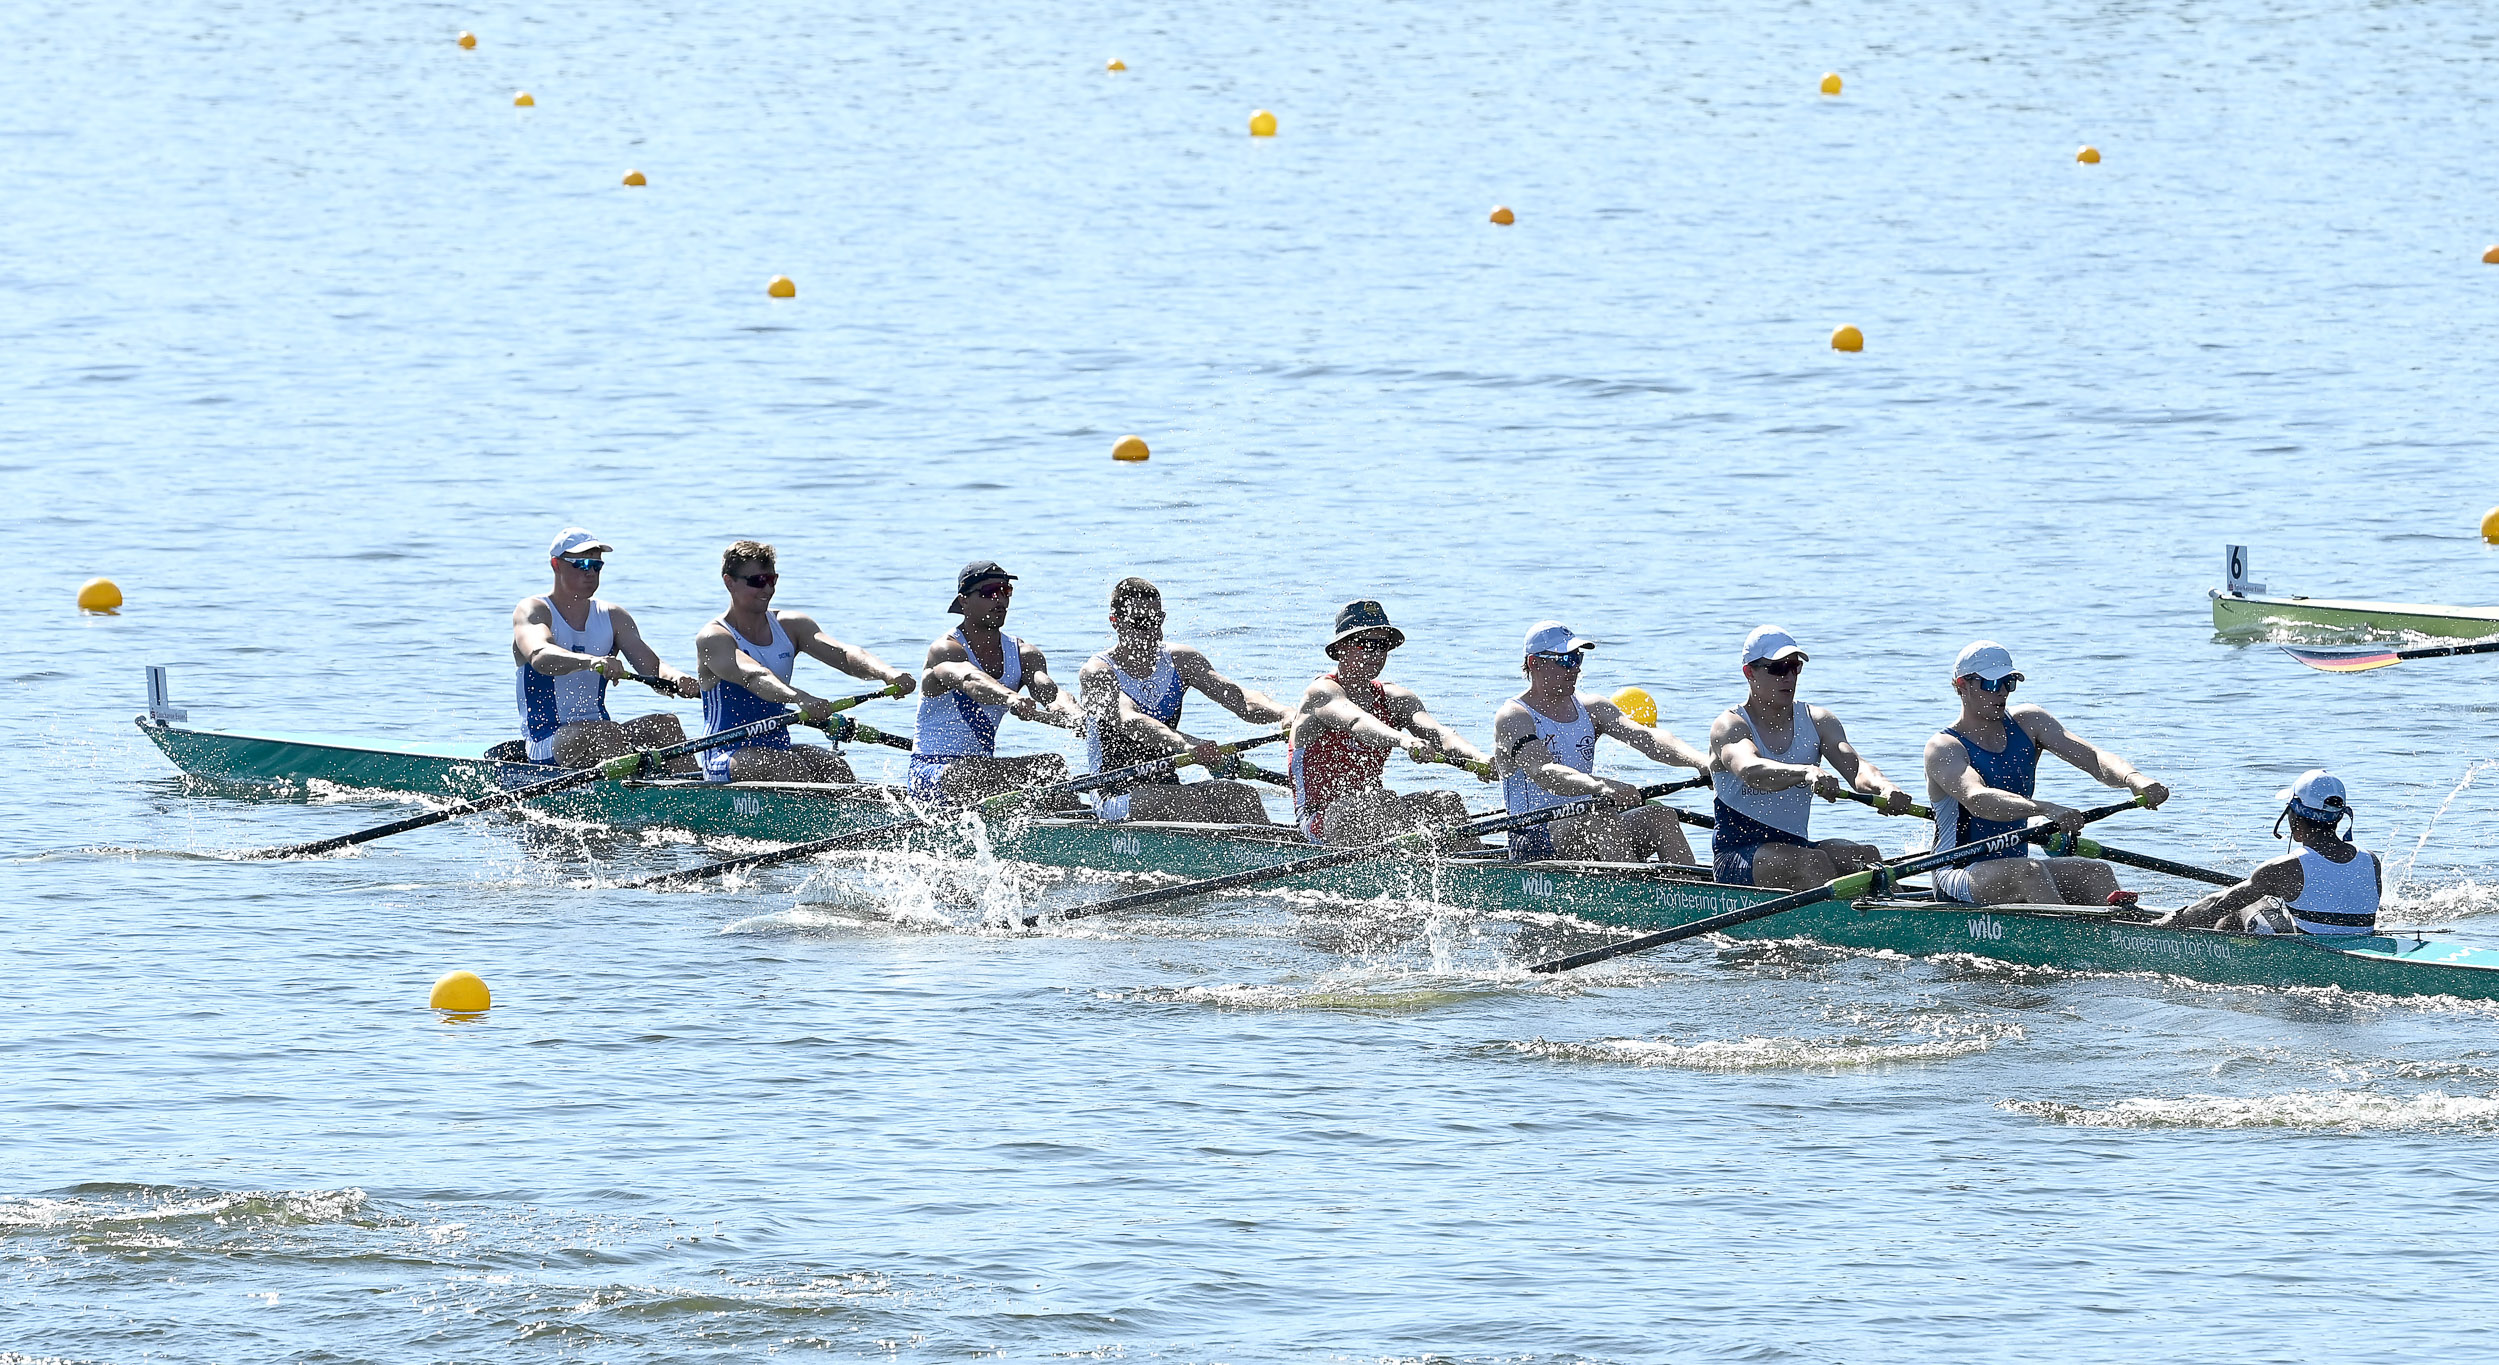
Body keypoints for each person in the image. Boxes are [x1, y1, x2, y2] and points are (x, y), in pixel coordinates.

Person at [1921, 641, 2170, 906]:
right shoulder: (1944, 747)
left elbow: (2094, 758)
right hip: (1958, 872)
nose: (2002, 692)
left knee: (2096, 872)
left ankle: (2124, 938)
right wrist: (2044, 809)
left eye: (2009, 682)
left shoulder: (2029, 723)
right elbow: (1978, 800)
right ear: (1963, 685)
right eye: (1992, 684)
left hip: (2016, 866)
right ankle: (2071, 942)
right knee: (2030, 872)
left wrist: (2135, 779)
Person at [1707, 625, 1917, 888]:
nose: (1788, 677)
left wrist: (1886, 788)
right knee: (1812, 863)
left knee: (1866, 858)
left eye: (1794, 667)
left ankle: (1897, 918)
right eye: (1777, 668)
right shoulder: (1730, 725)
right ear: (1749, 672)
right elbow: (1751, 770)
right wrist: (1806, 772)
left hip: (1795, 850)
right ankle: (1853, 925)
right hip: (1738, 856)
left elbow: (1858, 769)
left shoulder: (1818, 721)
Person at [692, 541, 915, 783]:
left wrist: (887, 673)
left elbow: (844, 655)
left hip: (778, 750)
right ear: (729, 582)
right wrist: (800, 697)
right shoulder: (714, 637)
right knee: (788, 767)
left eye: (772, 580)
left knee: (834, 767)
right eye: (757, 581)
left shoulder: (791, 625)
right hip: (724, 756)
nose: (767, 589)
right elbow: (754, 676)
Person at [1491, 622, 1711, 862]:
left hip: (1589, 827)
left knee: (1661, 816)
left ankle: (1689, 894)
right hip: (1533, 836)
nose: (1575, 668)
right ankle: (1628, 894)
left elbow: (1648, 738)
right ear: (1535, 663)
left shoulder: (1593, 708)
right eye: (1565, 660)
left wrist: (1700, 761)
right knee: (1601, 812)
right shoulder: (1514, 716)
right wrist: (1602, 786)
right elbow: (1543, 772)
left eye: (1578, 658)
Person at [1077, 578, 1288, 824]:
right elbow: (1131, 720)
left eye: (1158, 620)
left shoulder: (1180, 660)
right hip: (1114, 794)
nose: (1153, 632)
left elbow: (1240, 699)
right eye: (1141, 623)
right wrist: (1186, 744)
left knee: (1241, 797)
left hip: (1168, 788)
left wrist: (1286, 713)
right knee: (1185, 802)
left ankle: (1271, 854)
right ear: (1116, 622)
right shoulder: (1098, 672)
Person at [1287, 599, 1491, 845]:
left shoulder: (1396, 699)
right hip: (1320, 821)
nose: (1376, 653)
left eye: (1382, 645)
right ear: (1341, 649)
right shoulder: (1321, 692)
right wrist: (1404, 739)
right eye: (1366, 643)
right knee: (1376, 805)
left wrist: (1480, 758)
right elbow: (1356, 721)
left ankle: (1470, 871)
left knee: (1446, 802)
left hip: (1374, 813)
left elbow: (1441, 735)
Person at [510, 527, 700, 769]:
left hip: (606, 735)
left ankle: (693, 794)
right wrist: (591, 661)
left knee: (666, 724)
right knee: (606, 733)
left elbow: (653, 667)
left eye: (597, 566)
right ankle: (629, 794)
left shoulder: (613, 617)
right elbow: (540, 656)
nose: (590, 572)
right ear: (556, 564)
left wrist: (677, 678)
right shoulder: (534, 610)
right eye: (582, 564)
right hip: (547, 740)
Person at [912, 561, 1082, 803]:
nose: (1000, 600)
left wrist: (1078, 716)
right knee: (970, 773)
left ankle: (1070, 828)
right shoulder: (945, 650)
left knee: (1051, 766)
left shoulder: (1023, 653)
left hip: (982, 774)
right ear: (964, 601)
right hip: (931, 773)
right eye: (990, 592)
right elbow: (970, 679)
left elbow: (1051, 693)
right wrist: (1010, 697)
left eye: (1006, 591)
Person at [2150, 771, 2380, 935]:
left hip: (2309, 956)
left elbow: (2219, 903)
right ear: (2339, 817)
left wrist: (2177, 918)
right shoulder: (2371, 861)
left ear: (2294, 820)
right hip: (2353, 949)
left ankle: (2213, 958)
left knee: (2246, 902)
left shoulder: (2284, 868)